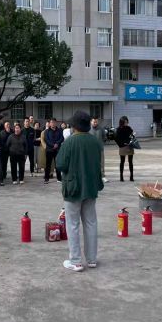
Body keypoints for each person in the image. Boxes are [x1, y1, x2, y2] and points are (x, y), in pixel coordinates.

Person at [56, 111, 104, 272]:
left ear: (74, 126)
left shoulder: (69, 142)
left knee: (73, 224)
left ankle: (76, 261)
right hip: (91, 186)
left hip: (73, 188)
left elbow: (60, 165)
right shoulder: (95, 141)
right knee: (91, 222)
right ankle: (91, 259)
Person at [115, 116, 135, 182]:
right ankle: (121, 177)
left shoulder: (129, 128)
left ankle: (131, 176)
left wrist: (132, 139)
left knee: (130, 162)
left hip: (130, 146)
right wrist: (121, 145)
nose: (126, 123)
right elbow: (116, 138)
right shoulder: (118, 129)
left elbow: (132, 136)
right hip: (122, 147)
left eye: (127, 122)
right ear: (122, 122)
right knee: (122, 162)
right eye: (125, 122)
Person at [44, 119, 64, 184]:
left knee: (58, 164)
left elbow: (62, 138)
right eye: (51, 122)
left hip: (57, 150)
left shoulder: (60, 130)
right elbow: (46, 140)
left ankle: (59, 178)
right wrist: (53, 145)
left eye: (54, 122)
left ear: (56, 123)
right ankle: (46, 179)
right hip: (49, 150)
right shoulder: (46, 131)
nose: (53, 123)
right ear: (49, 123)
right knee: (48, 165)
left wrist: (57, 144)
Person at [89, 117, 108, 183]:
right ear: (91, 122)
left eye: (96, 122)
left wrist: (102, 142)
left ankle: (102, 176)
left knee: (101, 163)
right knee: (91, 163)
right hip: (90, 150)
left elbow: (104, 137)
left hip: (100, 149)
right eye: (94, 122)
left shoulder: (101, 129)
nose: (95, 123)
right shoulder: (87, 129)